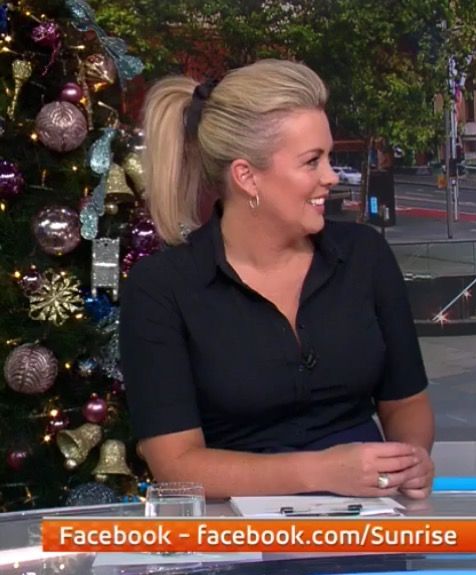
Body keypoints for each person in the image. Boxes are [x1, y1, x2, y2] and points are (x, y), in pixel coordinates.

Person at [121, 60, 435, 499]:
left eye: (329, 159)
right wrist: (322, 472)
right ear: (246, 176)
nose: (331, 177)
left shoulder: (366, 256)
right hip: (237, 530)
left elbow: (406, 403)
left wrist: (411, 457)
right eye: (312, 162)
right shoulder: (161, 287)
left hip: (369, 522)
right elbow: (177, 466)